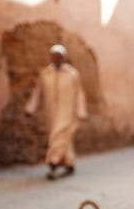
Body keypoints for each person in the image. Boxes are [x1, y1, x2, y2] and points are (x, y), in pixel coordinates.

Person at [25, 44, 88, 179]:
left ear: (64, 58)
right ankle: (68, 163)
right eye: (54, 56)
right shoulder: (45, 74)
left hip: (68, 111)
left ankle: (53, 162)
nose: (56, 59)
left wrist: (81, 111)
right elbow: (37, 93)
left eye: (59, 56)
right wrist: (30, 108)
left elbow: (79, 93)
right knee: (62, 137)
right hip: (51, 111)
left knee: (58, 135)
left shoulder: (72, 74)